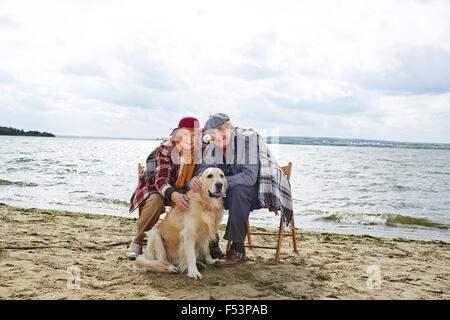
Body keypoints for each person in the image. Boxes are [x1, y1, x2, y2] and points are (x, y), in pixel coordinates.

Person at [126, 116, 224, 260]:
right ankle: (138, 241)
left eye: (196, 135)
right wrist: (174, 196)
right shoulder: (165, 149)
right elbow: (160, 181)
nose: (192, 139)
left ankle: (209, 243)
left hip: (184, 189)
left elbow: (206, 172)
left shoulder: (203, 149)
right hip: (157, 188)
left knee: (203, 202)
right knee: (155, 202)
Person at [189, 113, 261, 268]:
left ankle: (237, 250)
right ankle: (212, 245)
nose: (213, 140)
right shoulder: (214, 146)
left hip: (252, 192)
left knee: (237, 192)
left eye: (215, 135)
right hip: (225, 192)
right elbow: (203, 170)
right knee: (208, 192)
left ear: (225, 129)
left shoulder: (247, 140)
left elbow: (250, 177)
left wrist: (219, 183)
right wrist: (196, 180)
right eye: (211, 137)